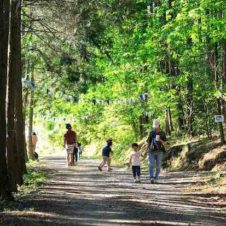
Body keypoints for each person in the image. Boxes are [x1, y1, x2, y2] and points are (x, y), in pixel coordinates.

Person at [145, 119, 166, 184]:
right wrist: (146, 151)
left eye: (156, 126)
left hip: (160, 151)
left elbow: (165, 142)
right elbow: (148, 142)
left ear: (159, 125)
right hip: (151, 151)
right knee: (151, 164)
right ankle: (151, 177)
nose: (155, 128)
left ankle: (156, 178)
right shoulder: (151, 132)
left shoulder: (162, 133)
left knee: (158, 166)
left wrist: (160, 140)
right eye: (154, 127)